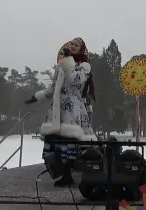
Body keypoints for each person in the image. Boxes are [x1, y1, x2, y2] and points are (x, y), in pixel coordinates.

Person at [25, 37, 96, 187]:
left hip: (73, 108)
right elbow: (52, 88)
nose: (73, 46)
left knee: (69, 142)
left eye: (77, 45)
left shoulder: (84, 65)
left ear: (82, 48)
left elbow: (75, 80)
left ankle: (69, 174)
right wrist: (37, 96)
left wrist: (68, 62)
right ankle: (62, 173)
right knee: (56, 143)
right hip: (57, 109)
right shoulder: (60, 66)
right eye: (72, 44)